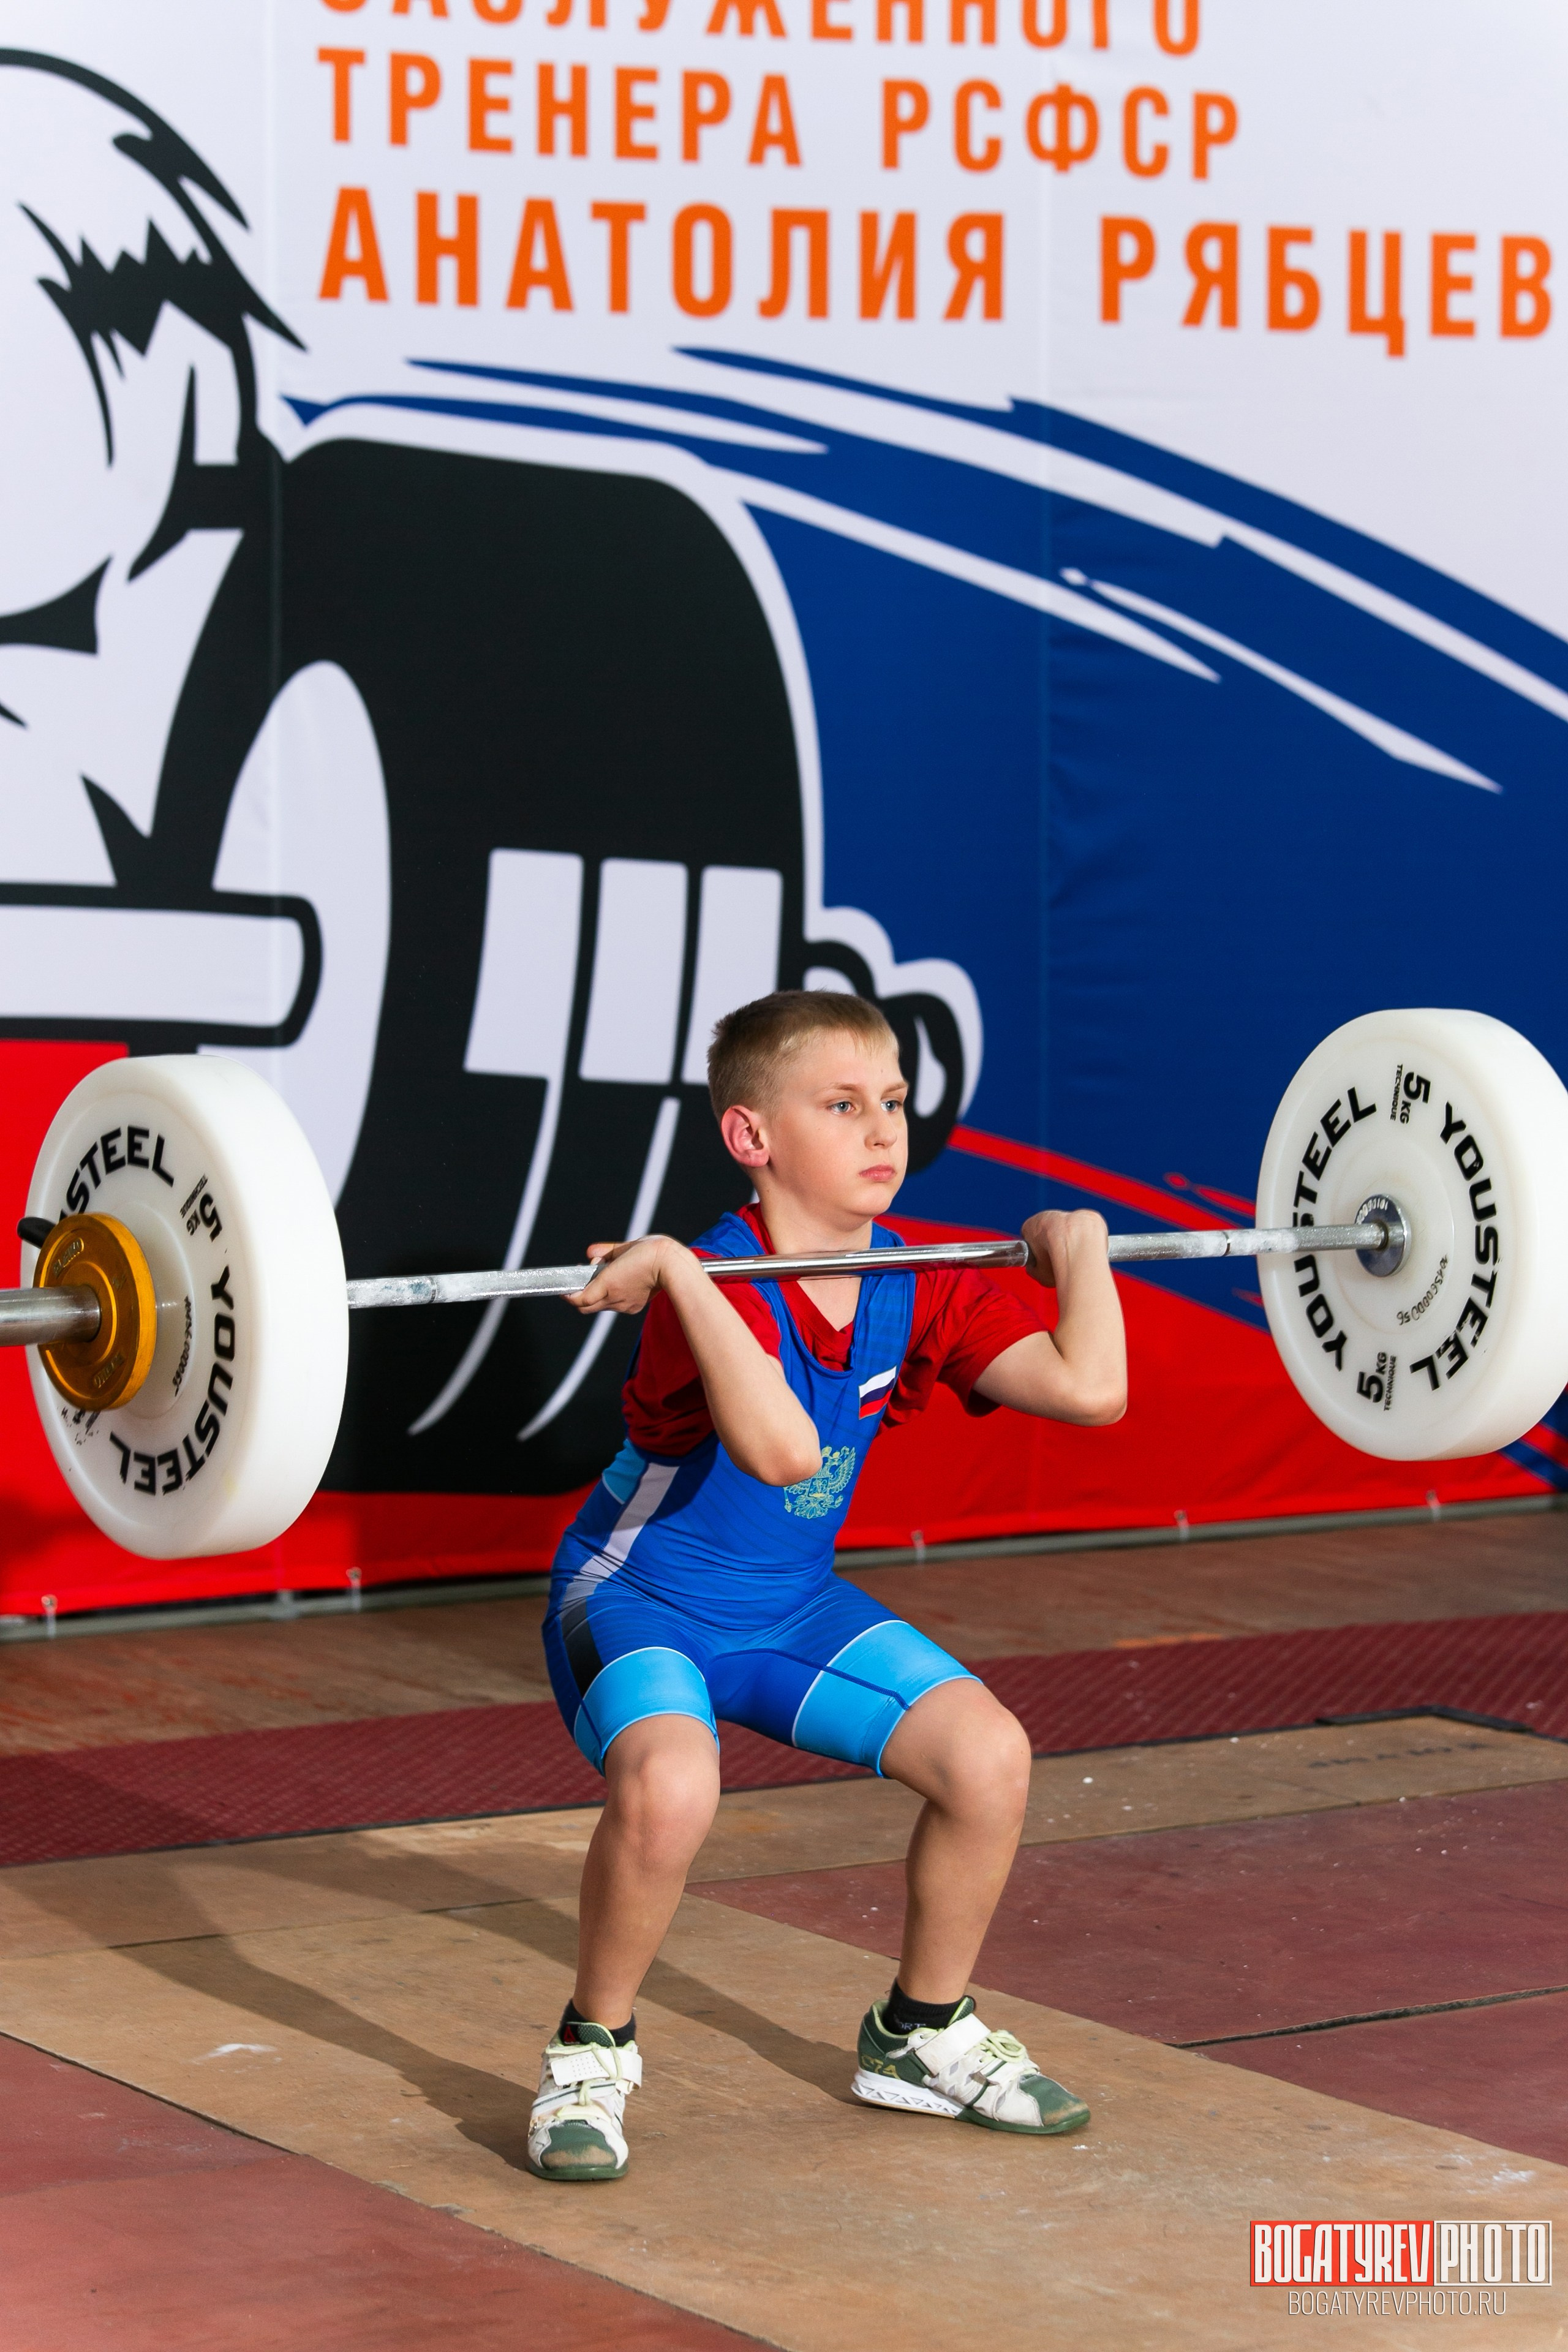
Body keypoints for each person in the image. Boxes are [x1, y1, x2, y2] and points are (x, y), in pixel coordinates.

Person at [530, 989, 1126, 2180]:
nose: (883, 1129)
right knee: (672, 1786)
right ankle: (590, 2054)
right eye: (843, 1105)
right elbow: (783, 1453)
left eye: (892, 1101)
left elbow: (1090, 1390)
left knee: (987, 1756)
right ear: (751, 1135)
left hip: (790, 1608)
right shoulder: (709, 1284)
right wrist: (685, 1273)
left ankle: (918, 2034)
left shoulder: (922, 1277)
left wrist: (1085, 1253)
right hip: (637, 1599)